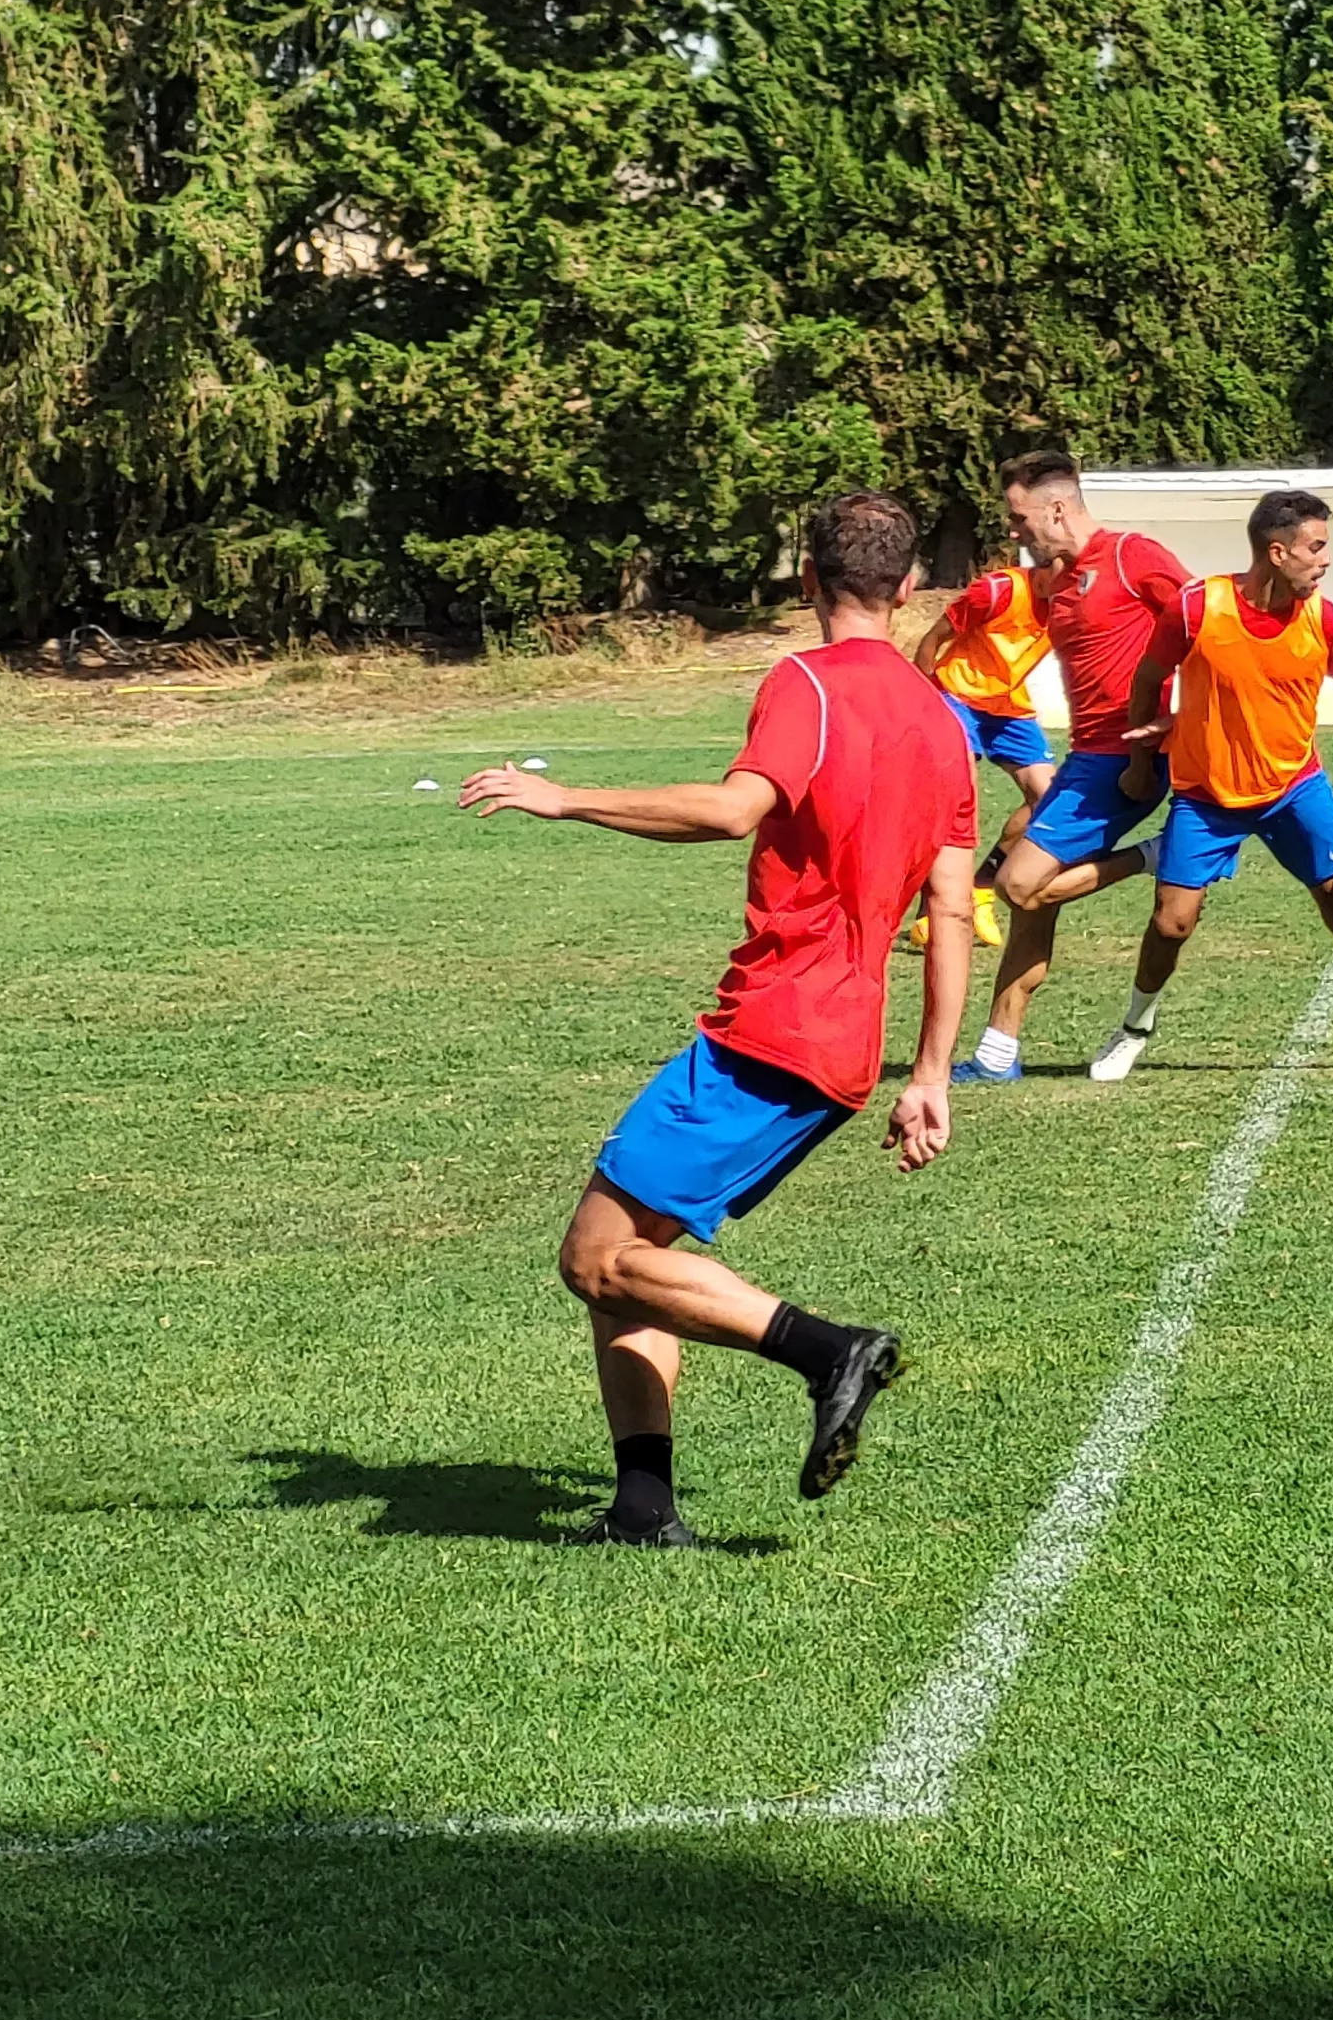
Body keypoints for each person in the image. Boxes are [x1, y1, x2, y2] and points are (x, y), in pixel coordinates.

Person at [459, 490, 976, 1548]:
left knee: (591, 1257)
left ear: (807, 582)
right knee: (640, 1251)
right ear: (910, 585)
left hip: (772, 1027)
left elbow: (736, 806)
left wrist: (568, 798)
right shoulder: (944, 722)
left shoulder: (804, 682)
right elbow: (957, 907)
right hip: (846, 1046)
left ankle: (826, 1351)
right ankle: (642, 1511)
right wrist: (929, 1075)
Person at [1111, 487, 1333, 1083]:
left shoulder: (1325, 618)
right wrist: (1140, 755)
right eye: (1316, 546)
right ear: (1277, 553)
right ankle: (1133, 1029)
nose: (1326, 559)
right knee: (1171, 923)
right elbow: (1151, 672)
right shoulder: (1197, 607)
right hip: (1207, 797)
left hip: (1295, 789)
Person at [975, 451, 1197, 1083]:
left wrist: (1170, 730)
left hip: (1124, 762)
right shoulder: (1054, 583)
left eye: (1019, 518)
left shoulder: (1133, 557)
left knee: (1017, 885)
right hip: (1086, 758)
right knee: (1033, 897)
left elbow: (1210, 631)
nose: (1013, 531)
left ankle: (1152, 855)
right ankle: (997, 1053)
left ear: (1056, 508)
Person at [908, 545, 1059, 953]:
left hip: (1009, 706)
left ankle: (981, 889)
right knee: (957, 795)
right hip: (957, 695)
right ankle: (930, 907)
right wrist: (921, 699)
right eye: (1056, 576)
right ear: (1040, 568)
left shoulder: (1071, 605)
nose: (1064, 588)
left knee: (1050, 799)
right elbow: (933, 638)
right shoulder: (997, 592)